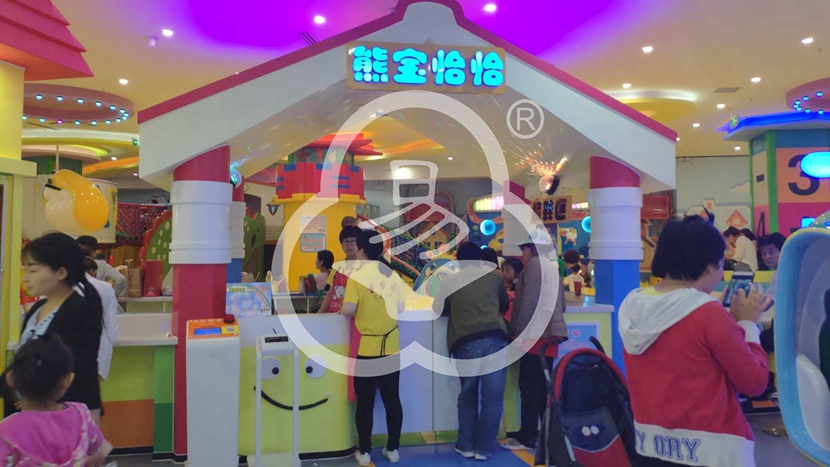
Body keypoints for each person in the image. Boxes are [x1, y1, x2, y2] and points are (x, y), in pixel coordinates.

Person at [619, 216, 771, 467]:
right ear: (709, 267)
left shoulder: (632, 305)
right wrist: (748, 324)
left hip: (649, 445)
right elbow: (754, 382)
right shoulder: (708, 314)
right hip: (711, 450)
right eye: (721, 265)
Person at [9, 233, 105, 426]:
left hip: (62, 421)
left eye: (33, 270)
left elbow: (79, 372)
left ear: (61, 272)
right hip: (29, 416)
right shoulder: (37, 309)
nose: (26, 278)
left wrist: (32, 395)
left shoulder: (79, 311)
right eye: (25, 269)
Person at [433, 242, 509, 460]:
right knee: (493, 399)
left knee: (468, 396)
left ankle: (465, 445)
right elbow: (503, 305)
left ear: (458, 261)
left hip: (466, 342)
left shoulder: (449, 281)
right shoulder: (495, 278)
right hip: (496, 340)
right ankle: (483, 448)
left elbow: (438, 310)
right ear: (480, 260)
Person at [341, 230, 406, 466]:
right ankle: (393, 449)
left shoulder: (357, 276)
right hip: (391, 346)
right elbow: (400, 307)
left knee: (365, 402)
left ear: (361, 250)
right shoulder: (392, 274)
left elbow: (348, 309)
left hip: (367, 349)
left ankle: (365, 451)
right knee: (392, 399)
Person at [0, 335, 113, 465]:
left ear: (11, 378)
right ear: (67, 380)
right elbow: (96, 449)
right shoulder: (81, 415)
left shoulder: (6, 432)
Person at [501, 230, 567, 451]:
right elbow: (563, 304)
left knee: (529, 386)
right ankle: (547, 436)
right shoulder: (551, 268)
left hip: (535, 336)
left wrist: (518, 332)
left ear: (532, 248)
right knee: (542, 388)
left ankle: (527, 437)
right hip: (550, 336)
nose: (522, 253)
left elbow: (528, 303)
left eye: (524, 249)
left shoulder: (534, 266)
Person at [318, 226, 362, 314]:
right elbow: (330, 294)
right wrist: (319, 314)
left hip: (354, 316)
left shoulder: (364, 267)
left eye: (353, 241)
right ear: (341, 245)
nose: (349, 244)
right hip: (334, 315)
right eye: (346, 241)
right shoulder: (337, 267)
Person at [758, 232, 786, 352]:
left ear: (783, 251)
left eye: (771, 252)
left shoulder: (783, 273)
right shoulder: (781, 271)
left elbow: (766, 303)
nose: (767, 257)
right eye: (763, 253)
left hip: (785, 330)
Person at [501, 259, 524, 323]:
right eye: (502, 270)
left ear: (518, 271)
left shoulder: (520, 287)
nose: (504, 273)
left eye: (507, 270)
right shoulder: (504, 286)